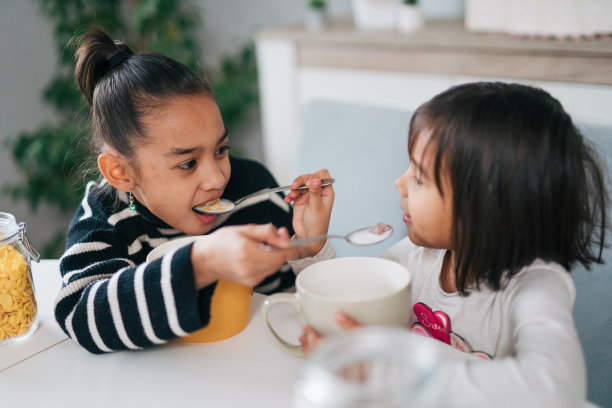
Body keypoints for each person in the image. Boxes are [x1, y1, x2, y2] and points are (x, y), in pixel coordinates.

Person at [297, 82, 609, 407]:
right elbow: (351, 318)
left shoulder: (536, 287)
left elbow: (556, 389)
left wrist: (388, 370)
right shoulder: (411, 258)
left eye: (419, 177)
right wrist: (312, 243)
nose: (399, 183)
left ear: (489, 206)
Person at [54, 26, 334, 354]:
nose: (217, 178)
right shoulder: (106, 217)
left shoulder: (254, 187)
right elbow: (82, 315)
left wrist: (309, 250)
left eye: (220, 149)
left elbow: (294, 306)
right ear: (121, 173)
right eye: (187, 163)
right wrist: (202, 262)